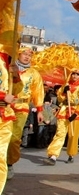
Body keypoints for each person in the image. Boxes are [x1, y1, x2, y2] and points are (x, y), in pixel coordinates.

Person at [7, 47, 44, 180]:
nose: (27, 57)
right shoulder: (8, 67)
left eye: (30, 55)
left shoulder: (34, 73)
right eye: (24, 54)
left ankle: (9, 163)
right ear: (18, 54)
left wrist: (40, 110)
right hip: (5, 104)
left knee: (14, 137)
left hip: (22, 106)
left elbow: (38, 92)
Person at [44, 68, 79, 165]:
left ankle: (71, 154)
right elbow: (59, 98)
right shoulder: (66, 85)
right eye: (73, 74)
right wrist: (64, 91)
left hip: (76, 113)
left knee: (73, 135)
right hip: (64, 110)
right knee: (60, 133)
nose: (75, 76)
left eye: (77, 74)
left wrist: (76, 113)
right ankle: (53, 156)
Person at [0, 35, 17, 192]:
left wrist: (15, 76)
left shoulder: (6, 59)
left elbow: (14, 87)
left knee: (1, 155)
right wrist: (2, 96)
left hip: (7, 112)